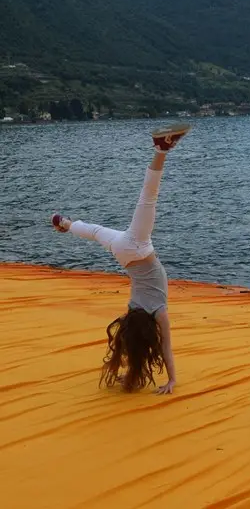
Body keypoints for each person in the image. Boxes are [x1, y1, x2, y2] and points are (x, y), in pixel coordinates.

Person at [51, 123, 191, 395]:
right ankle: (64, 223)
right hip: (123, 253)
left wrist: (173, 379)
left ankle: (161, 150)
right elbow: (138, 343)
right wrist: (157, 377)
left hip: (139, 248)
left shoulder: (159, 313)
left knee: (148, 197)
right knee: (94, 232)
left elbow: (166, 347)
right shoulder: (132, 309)